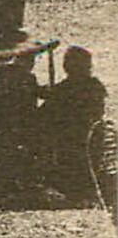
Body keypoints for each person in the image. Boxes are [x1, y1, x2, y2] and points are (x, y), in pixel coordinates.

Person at [39, 45, 108, 194]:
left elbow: (44, 114)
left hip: (71, 139)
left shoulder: (65, 89)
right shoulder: (94, 86)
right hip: (89, 137)